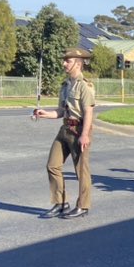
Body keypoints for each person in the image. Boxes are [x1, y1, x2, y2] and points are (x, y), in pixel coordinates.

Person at [34, 47, 95, 219]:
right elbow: (61, 111)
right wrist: (45, 114)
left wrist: (85, 135)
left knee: (81, 171)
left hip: (79, 130)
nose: (64, 63)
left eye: (67, 61)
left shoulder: (85, 86)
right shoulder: (66, 85)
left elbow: (89, 112)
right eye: (64, 60)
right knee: (52, 165)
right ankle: (60, 203)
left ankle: (83, 206)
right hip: (65, 128)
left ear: (78, 63)